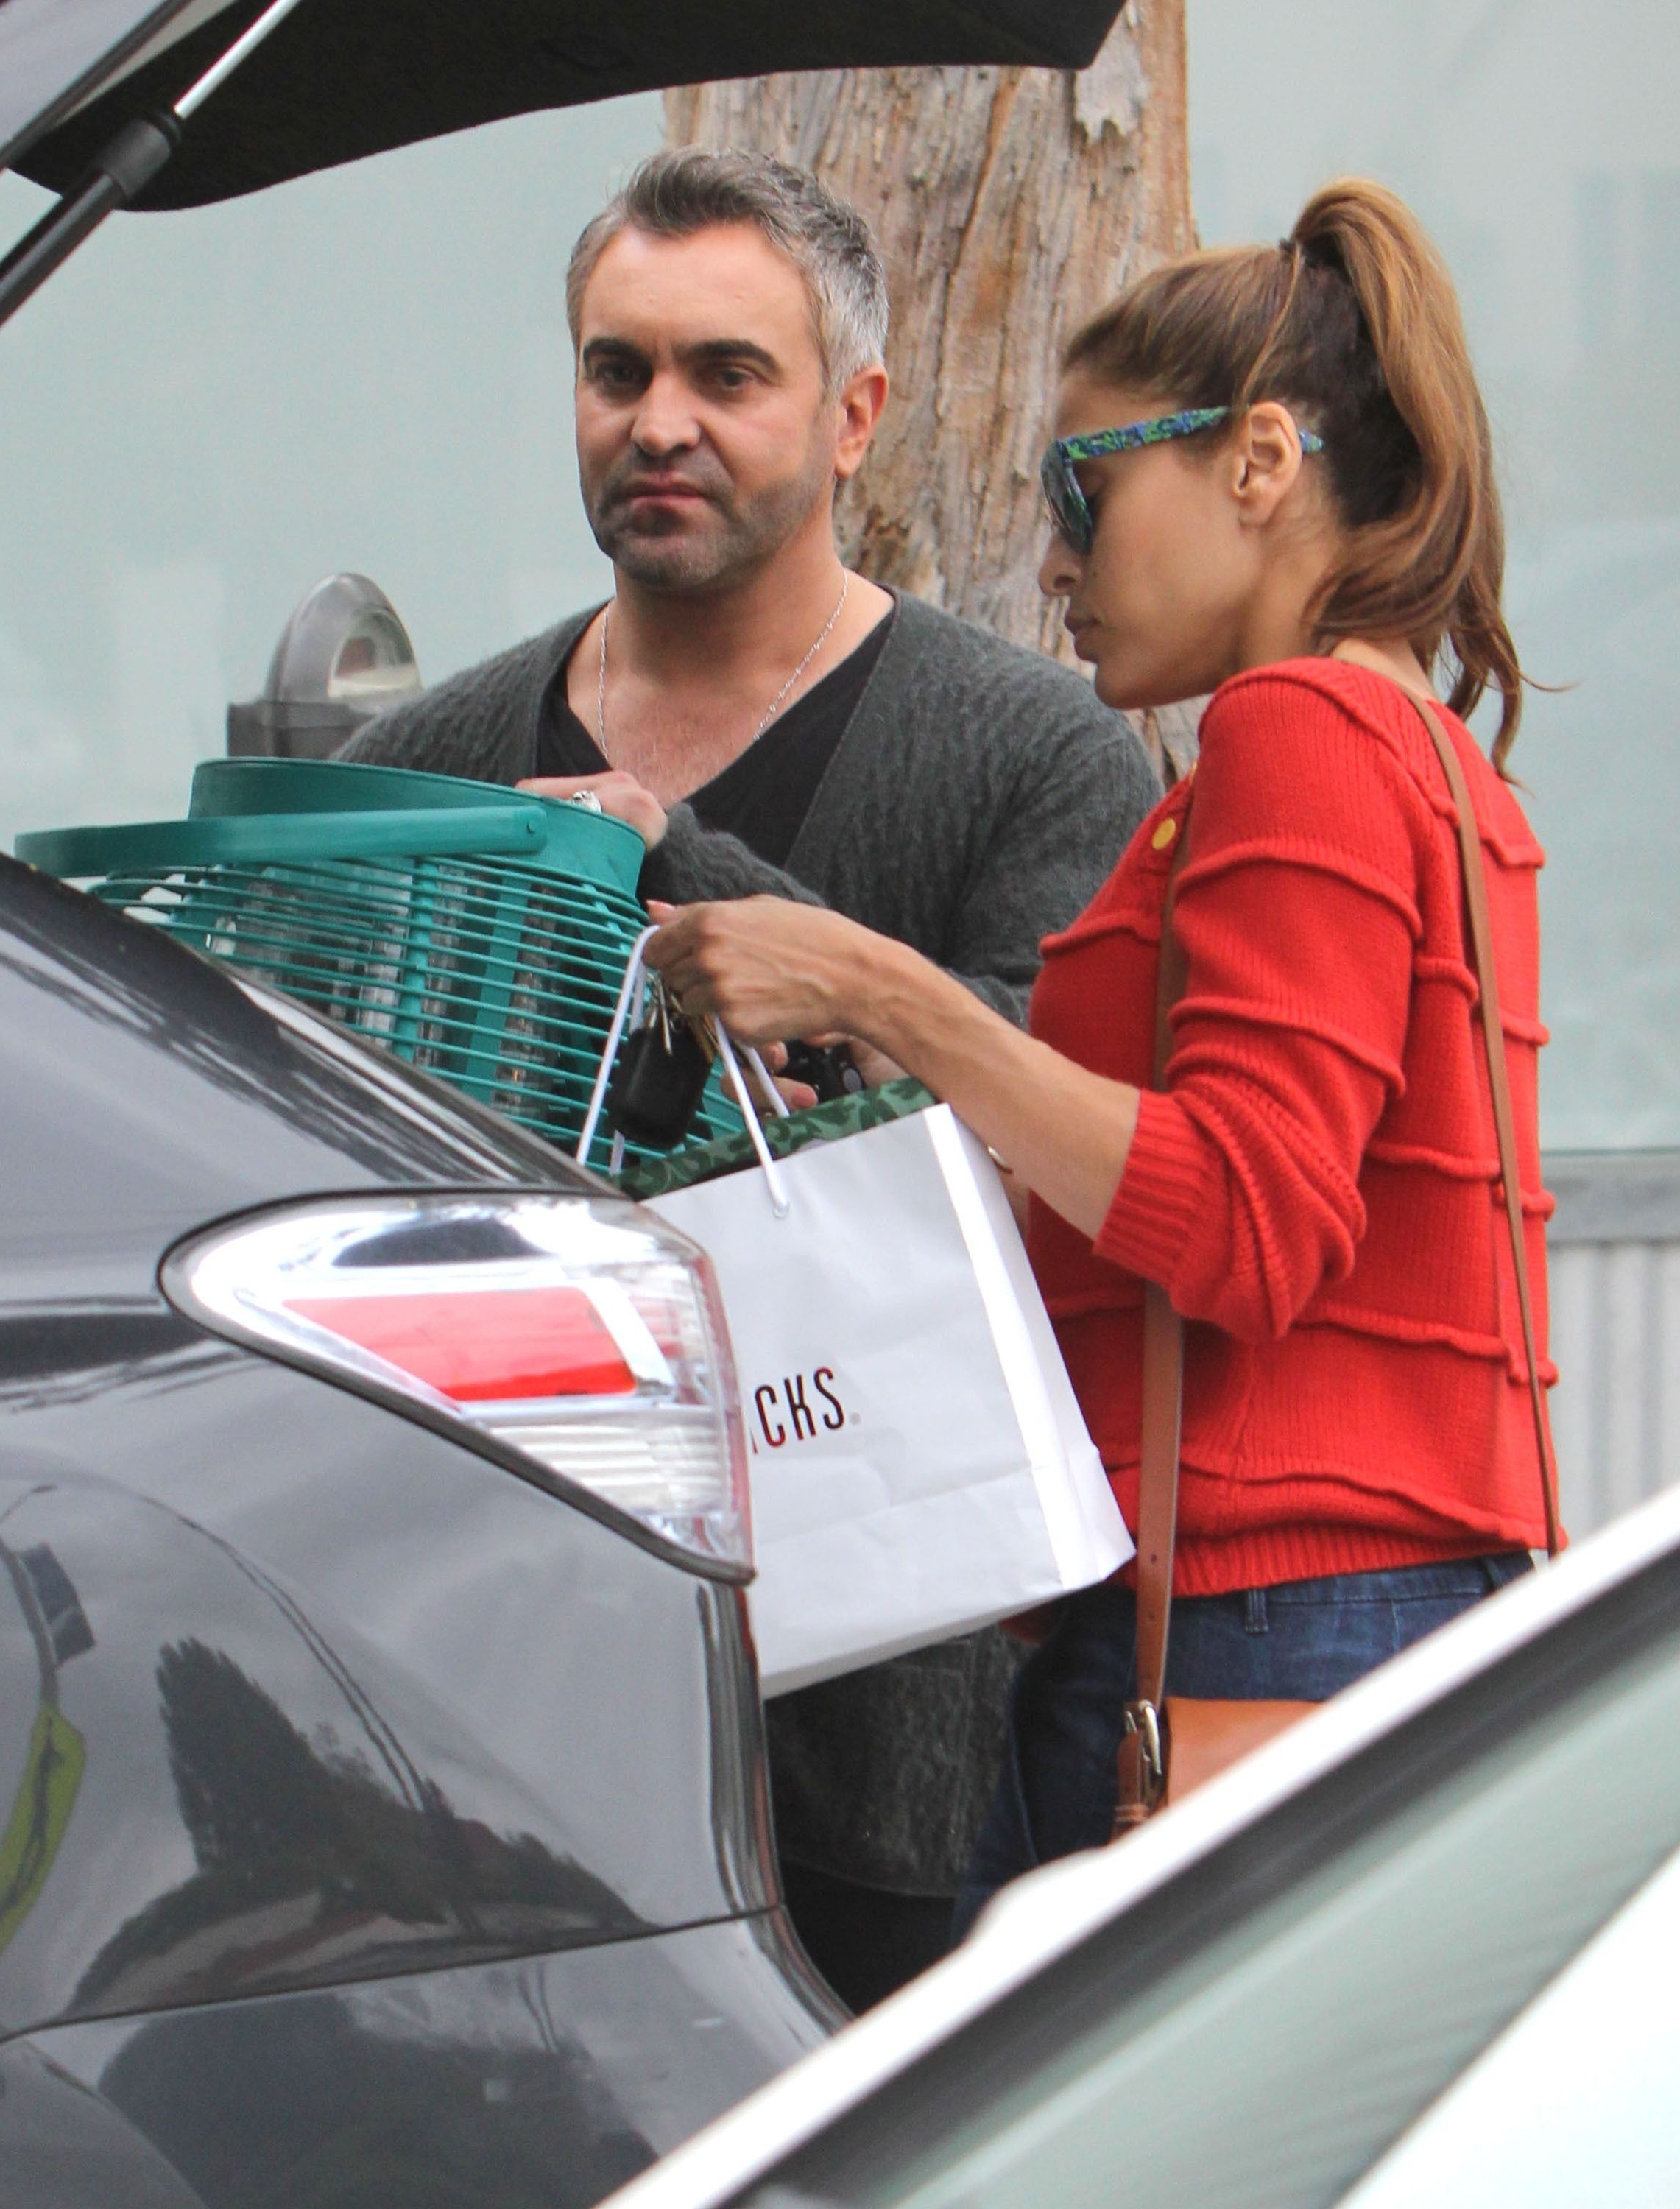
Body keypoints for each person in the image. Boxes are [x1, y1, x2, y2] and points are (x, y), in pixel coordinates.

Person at [647, 177, 1561, 1924]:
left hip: (1242, 1630)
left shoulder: (1294, 731)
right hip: (1376, 1616)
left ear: (1258, 461)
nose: (1054, 560)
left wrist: (883, 990)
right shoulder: (1434, 762)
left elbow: (1247, 1224)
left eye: (1083, 486)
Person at [339, 148, 1160, 2001]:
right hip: (490, 1711)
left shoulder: (1036, 756)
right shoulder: (428, 765)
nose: (659, 422)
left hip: (883, 1731)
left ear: (853, 416)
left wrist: (672, 857)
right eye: (614, 369)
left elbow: (1053, 1153)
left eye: (726, 373)